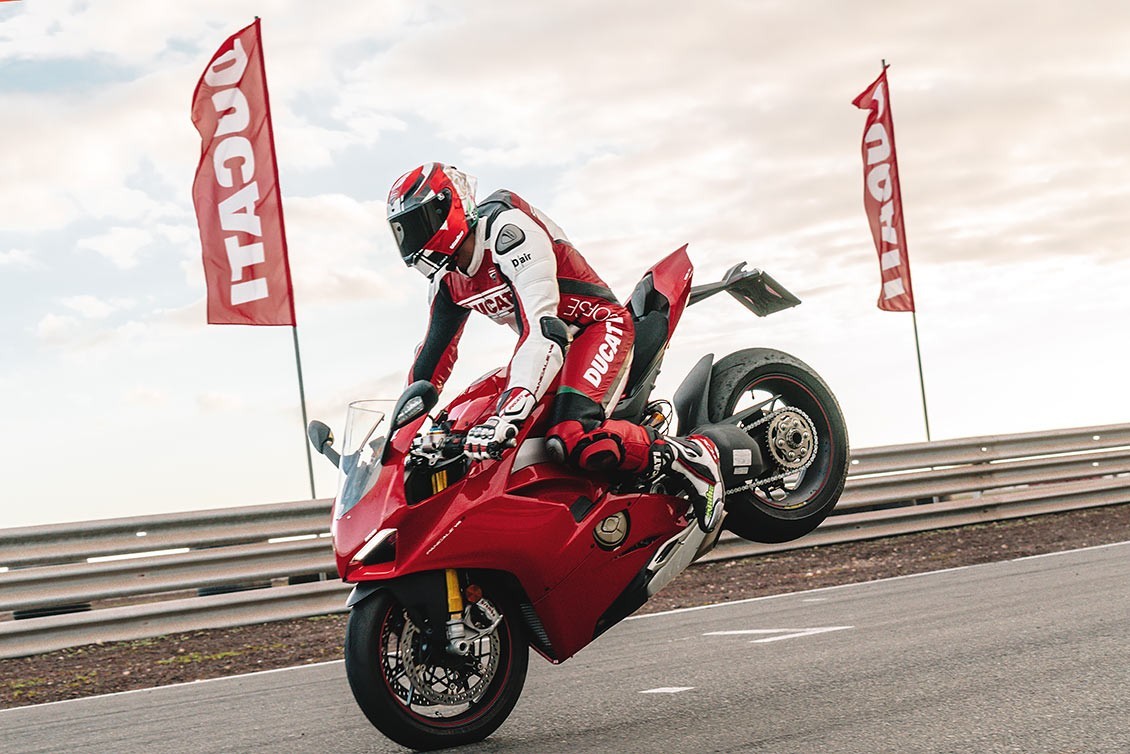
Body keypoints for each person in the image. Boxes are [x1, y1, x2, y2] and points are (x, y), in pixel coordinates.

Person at [386, 162, 723, 532]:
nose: (411, 240)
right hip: (550, 346)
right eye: (403, 231)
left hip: (595, 327)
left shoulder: (508, 232)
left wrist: (510, 412)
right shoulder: (447, 280)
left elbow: (542, 327)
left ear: (444, 209)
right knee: (469, 423)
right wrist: (397, 443)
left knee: (573, 436)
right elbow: (431, 363)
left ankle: (691, 458)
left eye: (416, 224)